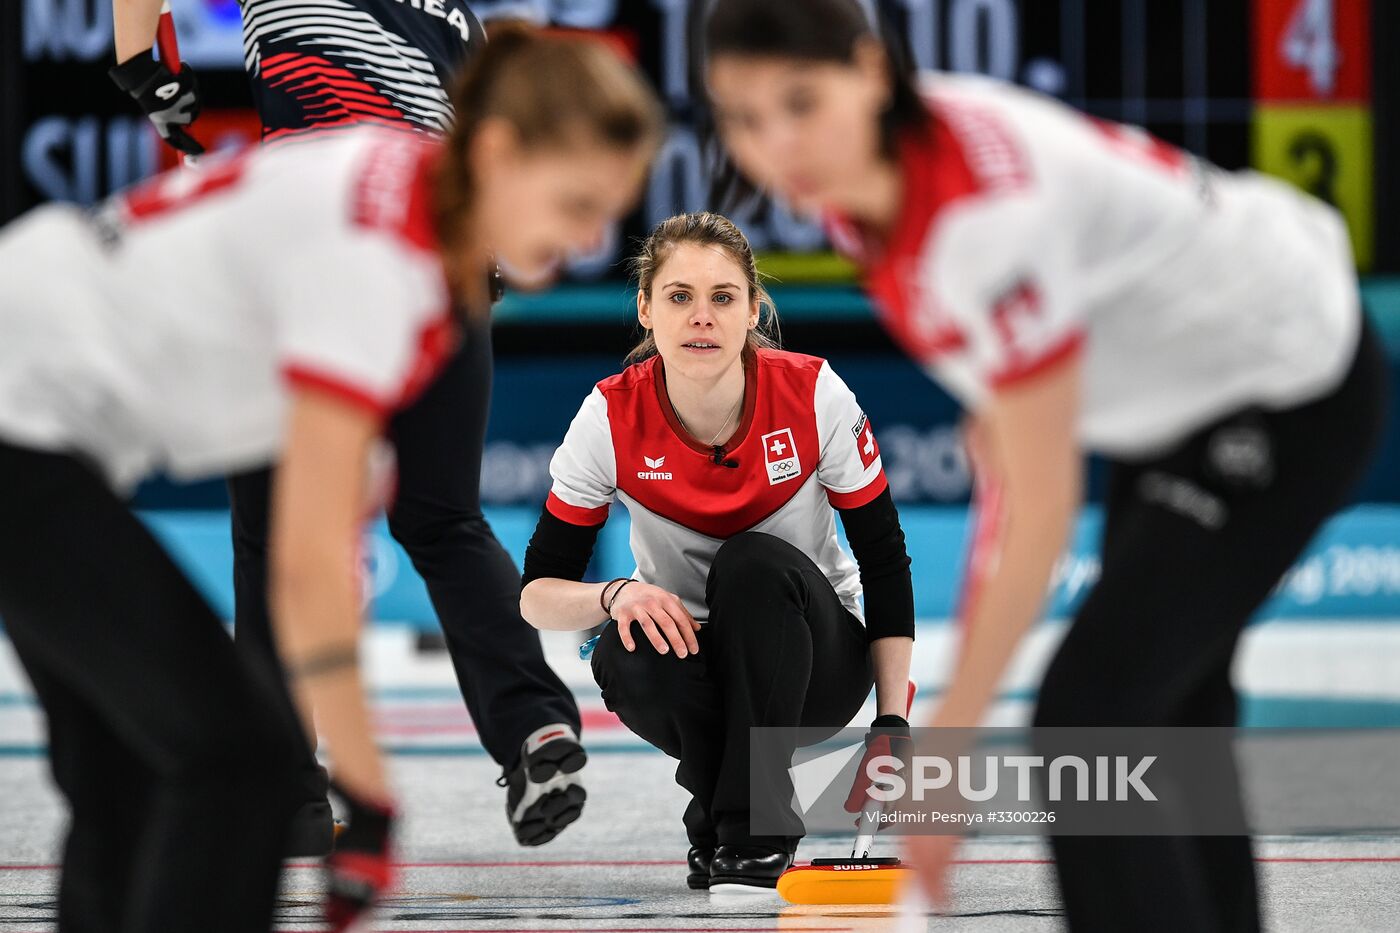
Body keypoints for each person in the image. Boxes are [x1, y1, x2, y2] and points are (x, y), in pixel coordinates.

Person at [701, 0, 1387, 928]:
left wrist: (946, 748)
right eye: (742, 118)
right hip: (1183, 389)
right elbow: (1016, 425)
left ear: (871, 69)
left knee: (1091, 717)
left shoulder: (981, 225)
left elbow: (1041, 499)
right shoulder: (880, 173)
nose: (778, 144)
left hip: (1286, 375)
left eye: (799, 101)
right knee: (1171, 707)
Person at [0, 28, 662, 931]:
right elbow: (308, 565)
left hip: (35, 410)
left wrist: (365, 788)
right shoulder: (382, 255)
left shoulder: (392, 196)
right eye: (578, 202)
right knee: (238, 766)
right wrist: (370, 791)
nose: (589, 241)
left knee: (133, 767)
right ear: (498, 150)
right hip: (23, 427)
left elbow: (319, 550)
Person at [109, 0, 591, 853]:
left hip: (307, 254)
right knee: (444, 519)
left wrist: (140, 61)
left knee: (274, 535)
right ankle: (533, 728)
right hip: (441, 260)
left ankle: (290, 787)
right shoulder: (461, 17)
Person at [519, 211, 916, 892]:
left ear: (753, 309)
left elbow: (883, 558)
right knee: (625, 643)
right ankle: (724, 817)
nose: (701, 317)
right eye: (679, 297)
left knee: (752, 562)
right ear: (646, 309)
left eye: (722, 297)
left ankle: (752, 834)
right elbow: (536, 594)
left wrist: (891, 719)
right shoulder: (609, 416)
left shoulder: (814, 392)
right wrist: (617, 594)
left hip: (816, 666)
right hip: (691, 672)